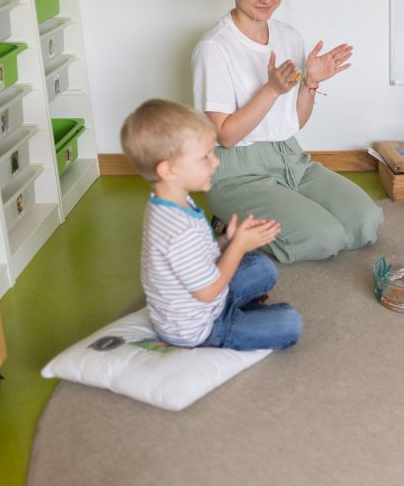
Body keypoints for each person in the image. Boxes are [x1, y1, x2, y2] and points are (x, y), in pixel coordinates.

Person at [192, 0, 383, 263]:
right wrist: (270, 90)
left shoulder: (289, 37)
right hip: (237, 171)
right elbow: (226, 135)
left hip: (290, 157)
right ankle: (231, 228)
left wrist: (310, 82)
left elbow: (293, 121)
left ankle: (275, 213)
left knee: (366, 223)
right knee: (324, 237)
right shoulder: (215, 48)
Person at [120, 99, 302, 351]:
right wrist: (237, 247)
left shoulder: (167, 202)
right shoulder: (180, 229)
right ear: (168, 170)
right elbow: (207, 293)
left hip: (199, 299)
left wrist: (228, 240)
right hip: (197, 327)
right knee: (289, 323)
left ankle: (242, 308)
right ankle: (233, 322)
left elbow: (195, 257)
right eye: (204, 157)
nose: (215, 162)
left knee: (261, 267)